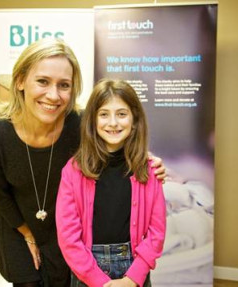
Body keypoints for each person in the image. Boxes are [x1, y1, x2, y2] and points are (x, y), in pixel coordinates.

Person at [0, 39, 166, 287]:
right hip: (18, 226)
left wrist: (149, 162)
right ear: (20, 81)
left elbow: (117, 139)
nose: (53, 95)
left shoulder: (81, 125)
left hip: (68, 232)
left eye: (64, 85)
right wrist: (28, 234)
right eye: (43, 81)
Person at [56, 79, 166, 287]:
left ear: (134, 121)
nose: (113, 123)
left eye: (122, 114)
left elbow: (157, 231)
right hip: (87, 270)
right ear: (93, 121)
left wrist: (134, 277)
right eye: (104, 114)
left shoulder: (149, 169)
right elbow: (68, 236)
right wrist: (98, 281)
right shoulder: (73, 171)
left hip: (134, 269)